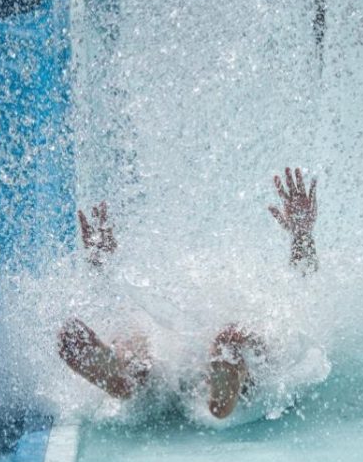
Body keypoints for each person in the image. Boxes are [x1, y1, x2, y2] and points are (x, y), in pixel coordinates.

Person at [58, 168, 318, 419]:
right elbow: (301, 286)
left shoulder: (178, 280)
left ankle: (124, 375)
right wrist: (302, 236)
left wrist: (104, 265)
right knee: (236, 338)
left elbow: (300, 290)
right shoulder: (250, 285)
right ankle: (223, 381)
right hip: (197, 365)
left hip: (176, 370)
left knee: (141, 338)